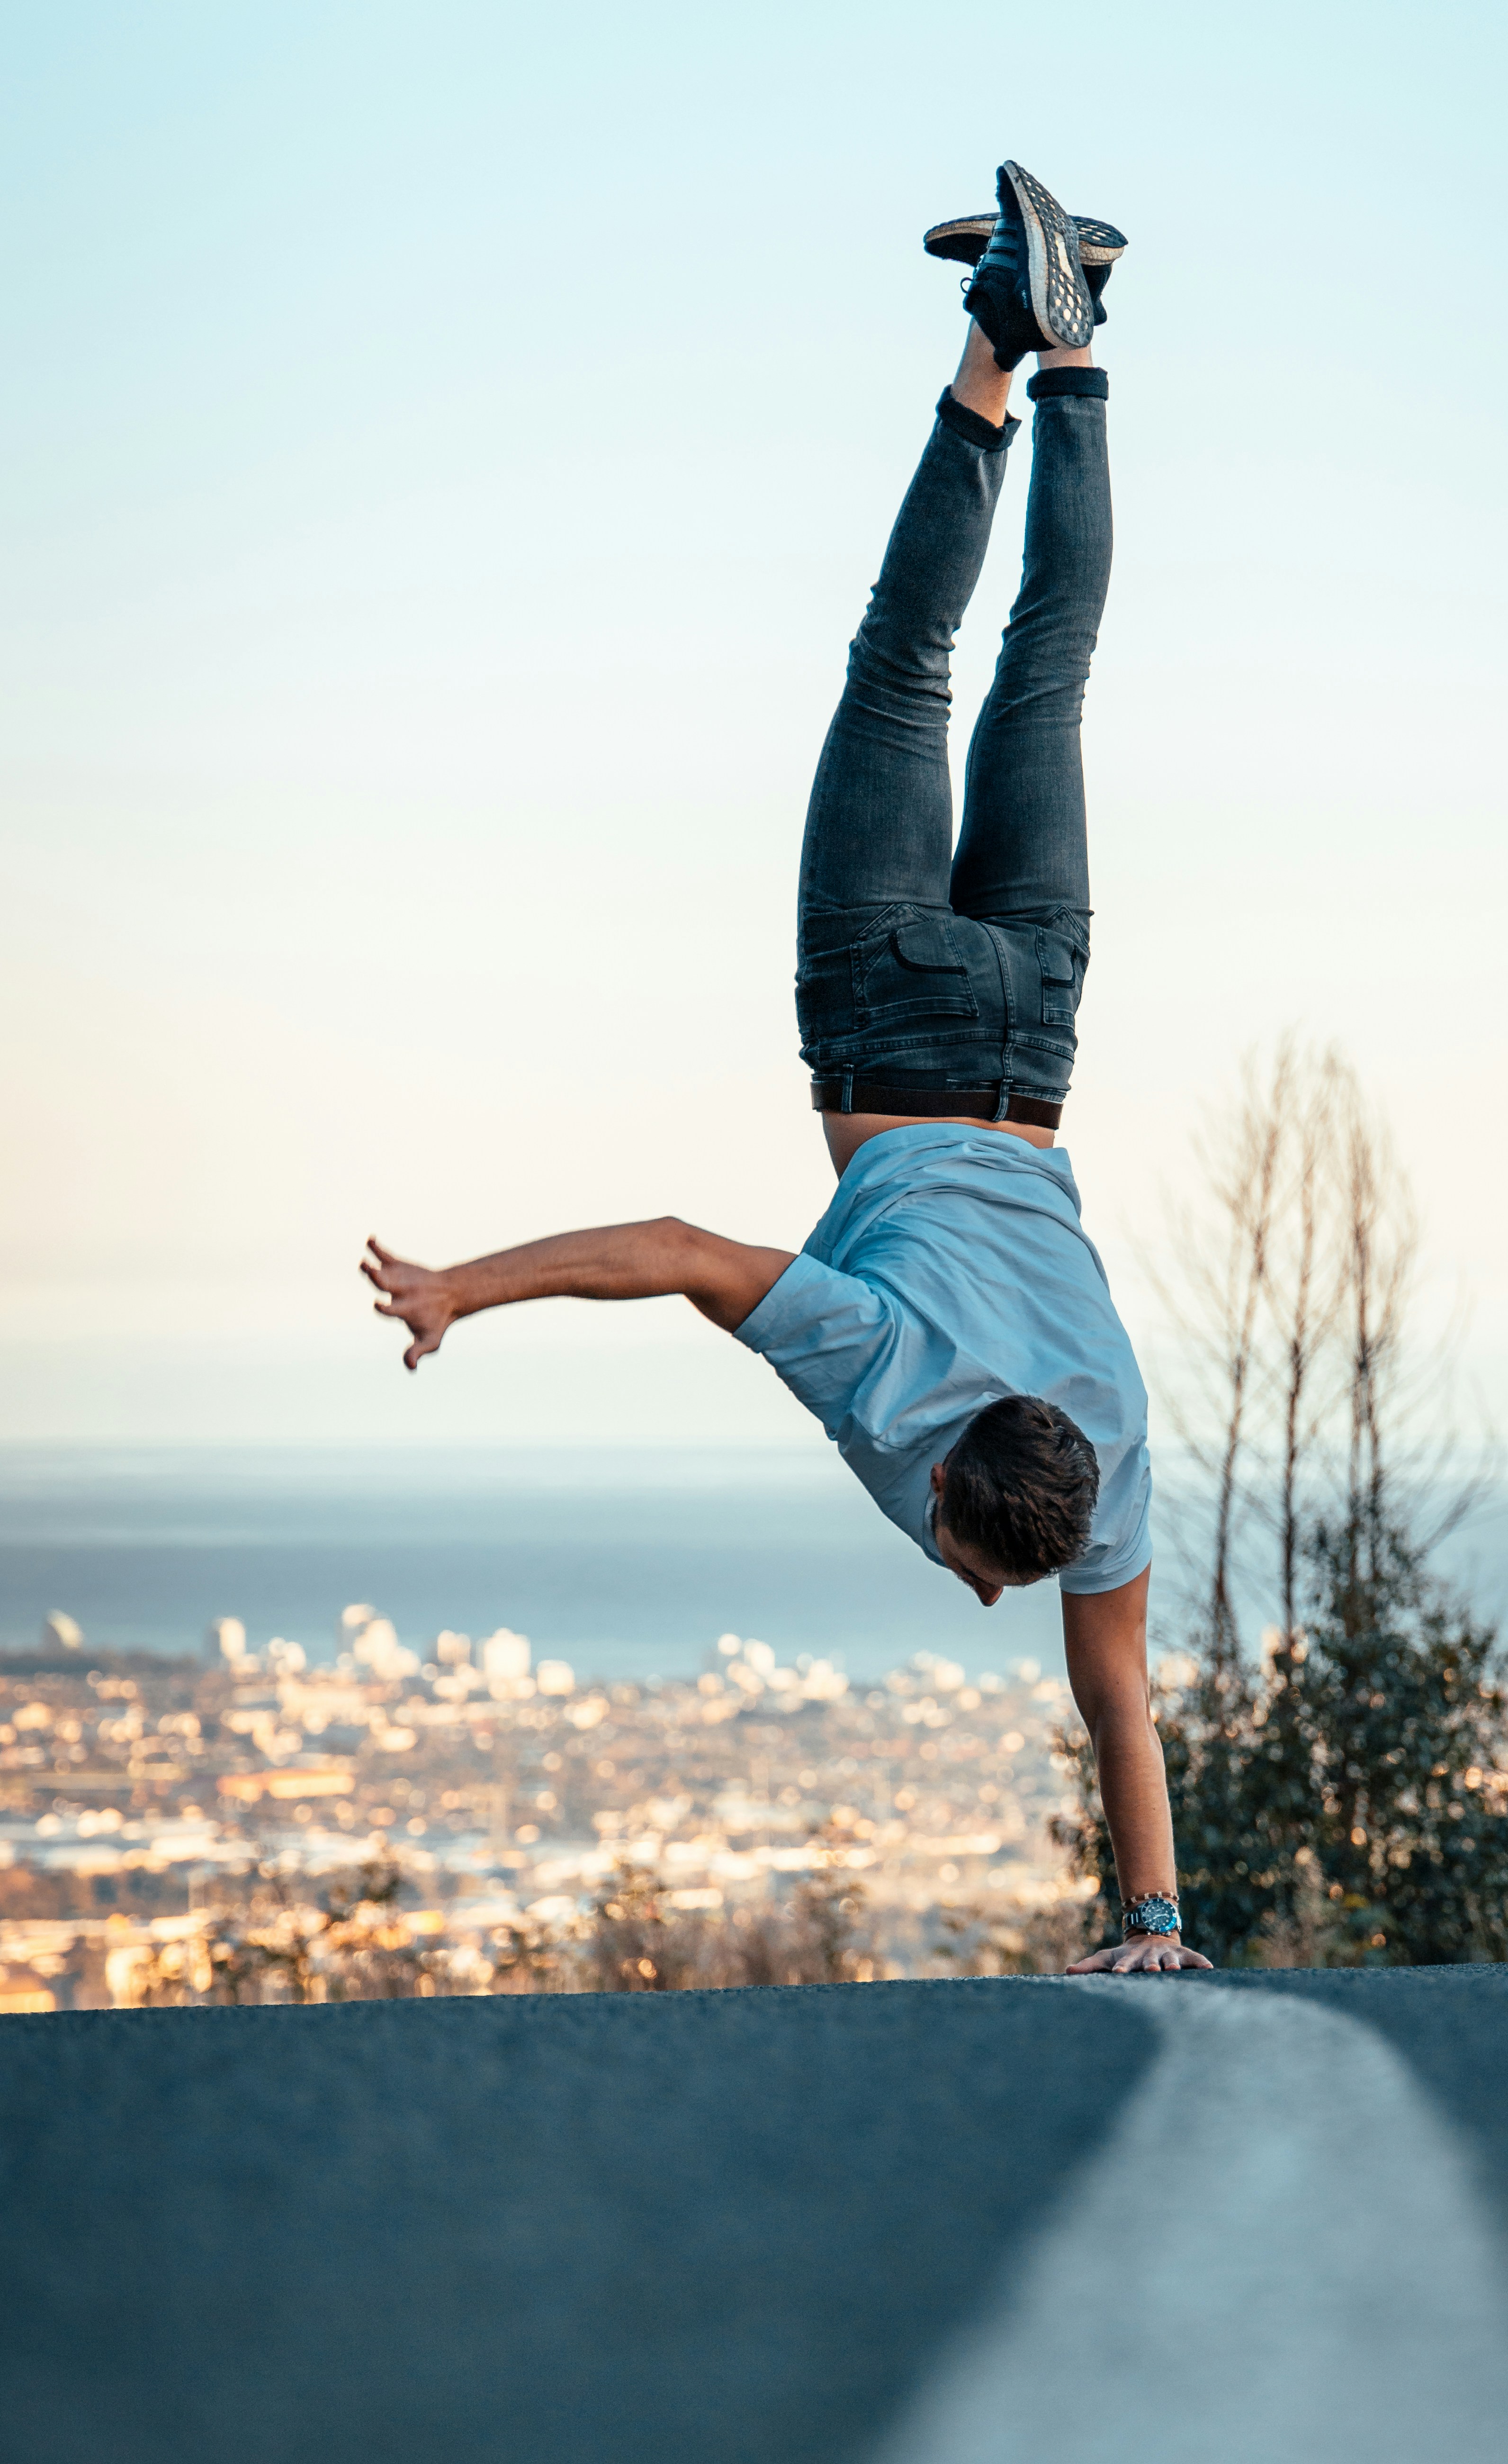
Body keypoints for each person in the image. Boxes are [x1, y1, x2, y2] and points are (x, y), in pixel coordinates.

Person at [362, 162, 1209, 1976]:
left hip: (1036, 1032)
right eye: (980, 1567)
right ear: (952, 1491)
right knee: (906, 671)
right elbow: (671, 1245)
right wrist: (461, 1289)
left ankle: (1059, 336)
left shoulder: (1113, 1446)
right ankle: (1009, 328)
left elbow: (1122, 1700)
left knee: (1043, 681)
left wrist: (1159, 1922)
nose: (984, 1588)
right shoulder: (882, 1381)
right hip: (893, 1019)